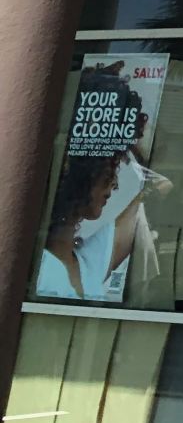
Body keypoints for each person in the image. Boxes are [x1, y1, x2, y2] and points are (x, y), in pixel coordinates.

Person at [37, 65, 167, 302]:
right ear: (79, 169)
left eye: (116, 164)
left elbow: (160, 187)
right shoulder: (40, 265)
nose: (114, 183)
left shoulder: (86, 263)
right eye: (108, 169)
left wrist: (129, 143)